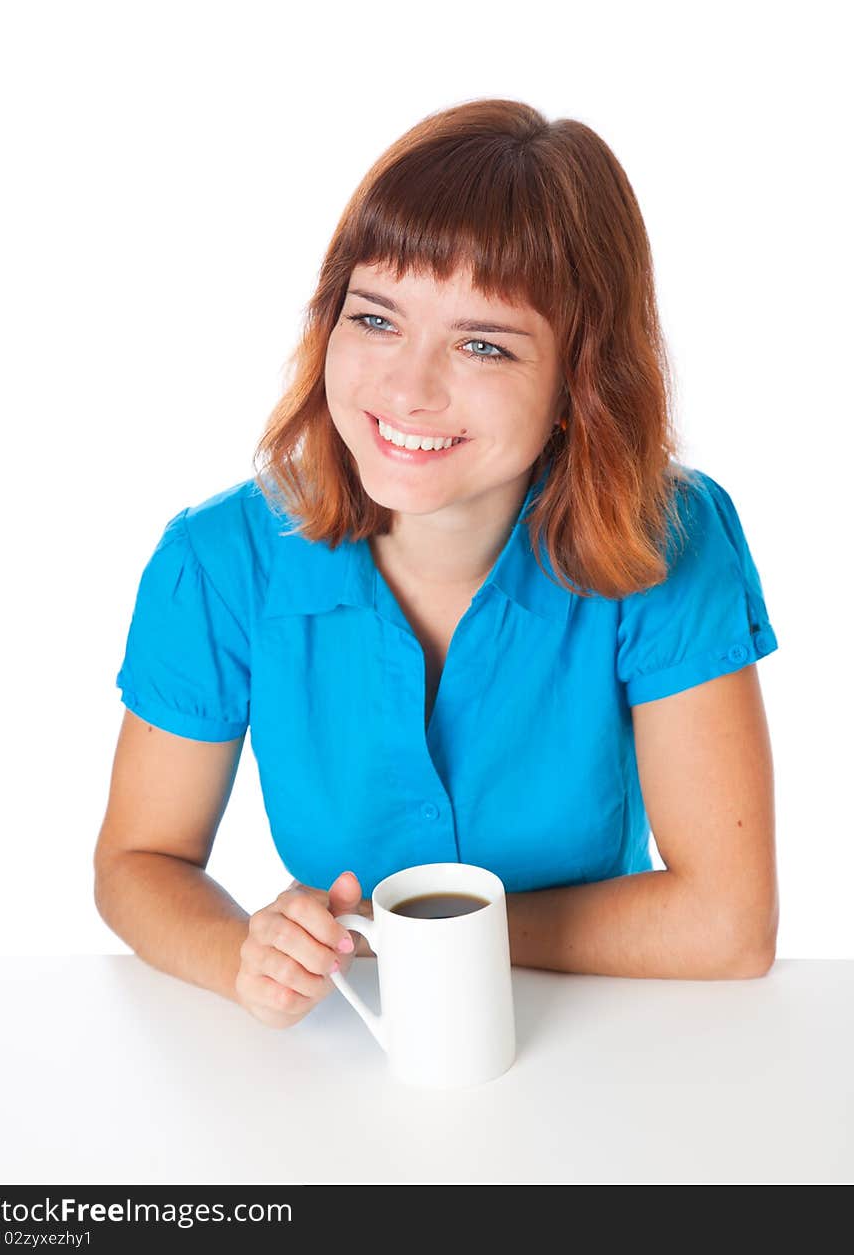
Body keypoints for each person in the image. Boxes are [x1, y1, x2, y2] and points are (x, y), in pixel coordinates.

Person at [94, 99, 780, 1031]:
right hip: (348, 1047)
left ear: (581, 379)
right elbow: (138, 861)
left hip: (605, 1045)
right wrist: (242, 952)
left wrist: (411, 936)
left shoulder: (672, 538)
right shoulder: (216, 564)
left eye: (483, 343)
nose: (408, 389)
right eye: (376, 320)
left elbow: (726, 925)